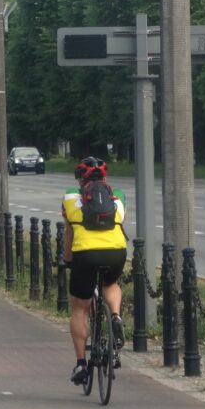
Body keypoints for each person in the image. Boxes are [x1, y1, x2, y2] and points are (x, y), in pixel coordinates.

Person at [62, 156, 127, 386]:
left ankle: (81, 364)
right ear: (105, 178)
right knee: (110, 284)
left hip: (85, 255)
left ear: (81, 179)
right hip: (115, 252)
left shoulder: (70, 197)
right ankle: (116, 315)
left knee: (80, 307)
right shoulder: (118, 197)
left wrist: (67, 259)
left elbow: (69, 233)